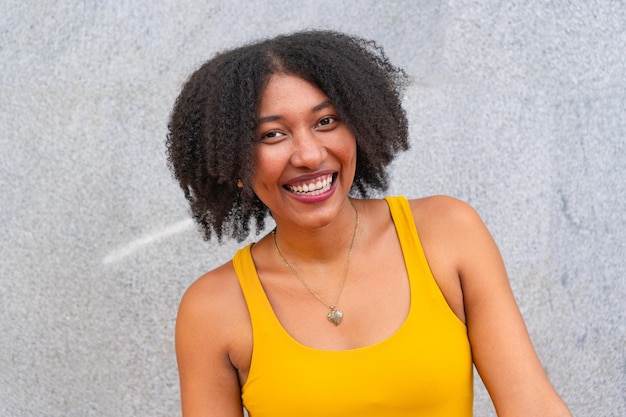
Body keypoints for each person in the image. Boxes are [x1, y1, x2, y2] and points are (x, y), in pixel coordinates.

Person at [167, 30, 571, 417]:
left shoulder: (447, 233)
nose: (309, 154)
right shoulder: (213, 308)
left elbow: (533, 407)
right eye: (273, 134)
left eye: (325, 122)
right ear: (233, 161)